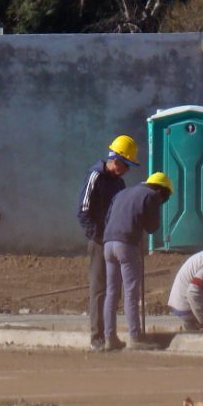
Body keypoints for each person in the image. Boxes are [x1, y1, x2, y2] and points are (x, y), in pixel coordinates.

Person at [75, 134, 138, 351]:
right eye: (126, 164)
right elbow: (82, 211)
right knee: (99, 289)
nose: (127, 170)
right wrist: (98, 236)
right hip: (100, 241)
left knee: (114, 289)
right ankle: (97, 338)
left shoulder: (119, 183)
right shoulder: (95, 176)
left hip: (115, 241)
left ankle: (111, 336)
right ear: (116, 159)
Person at [102, 171, 170, 350]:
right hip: (127, 244)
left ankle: (110, 338)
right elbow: (152, 227)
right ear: (161, 190)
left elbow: (108, 218)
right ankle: (135, 337)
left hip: (108, 243)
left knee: (111, 292)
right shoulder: (152, 195)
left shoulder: (122, 193)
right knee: (131, 292)